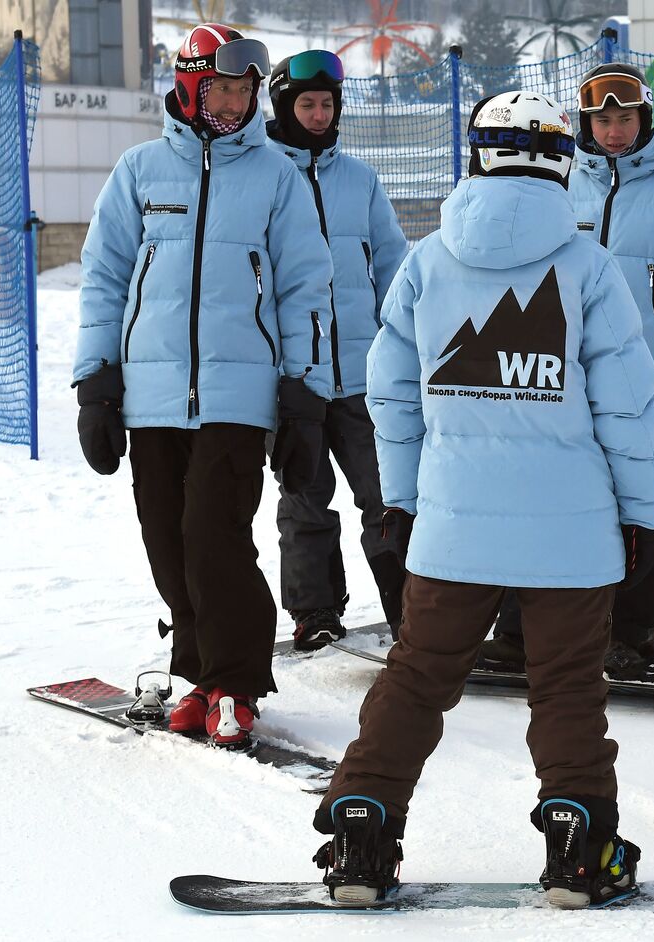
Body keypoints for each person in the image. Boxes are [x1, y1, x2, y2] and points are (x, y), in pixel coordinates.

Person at [311, 91, 654, 908]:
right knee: (568, 686)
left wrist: (398, 502)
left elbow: (390, 396)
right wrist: (644, 515)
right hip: (571, 533)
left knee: (419, 676)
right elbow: (627, 408)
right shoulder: (588, 268)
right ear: (561, 162)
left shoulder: (429, 263)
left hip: (453, 527)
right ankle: (580, 849)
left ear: (479, 157)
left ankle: (363, 831)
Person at [73, 24, 335, 749]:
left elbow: (308, 289)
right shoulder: (139, 171)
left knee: (212, 538)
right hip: (151, 394)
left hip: (238, 395)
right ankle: (197, 676)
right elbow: (103, 280)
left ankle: (239, 685)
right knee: (166, 541)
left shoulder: (276, 177)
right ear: (190, 86)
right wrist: (96, 384)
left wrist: (304, 397)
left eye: (247, 90)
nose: (237, 101)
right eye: (223, 87)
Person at [476, 62, 654, 686]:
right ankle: (518, 632)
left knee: (645, 514)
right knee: (546, 507)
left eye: (625, 118)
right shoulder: (558, 190)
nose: (614, 132)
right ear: (584, 126)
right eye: (602, 120)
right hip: (566, 388)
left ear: (645, 120)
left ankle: (632, 632)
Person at [266, 50, 410, 648]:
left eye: (327, 104)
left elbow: (396, 266)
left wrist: (401, 344)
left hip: (361, 374)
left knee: (388, 494)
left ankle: (410, 611)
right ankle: (314, 613)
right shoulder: (260, 175)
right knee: (306, 499)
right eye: (308, 104)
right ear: (283, 106)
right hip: (293, 380)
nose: (320, 115)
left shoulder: (360, 179)